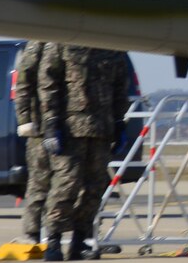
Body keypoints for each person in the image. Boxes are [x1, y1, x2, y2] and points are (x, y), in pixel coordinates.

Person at [39, 44, 128, 261]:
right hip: (70, 128)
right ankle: (53, 240)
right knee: (66, 186)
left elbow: (120, 86)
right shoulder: (61, 43)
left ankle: (80, 240)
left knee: (94, 188)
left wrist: (119, 122)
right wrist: (51, 122)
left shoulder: (113, 47)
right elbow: (48, 81)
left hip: (101, 129)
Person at [13, 40, 57, 255]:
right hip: (40, 126)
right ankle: (31, 232)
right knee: (39, 183)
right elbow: (23, 83)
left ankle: (56, 233)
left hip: (64, 125)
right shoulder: (39, 43)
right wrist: (24, 120)